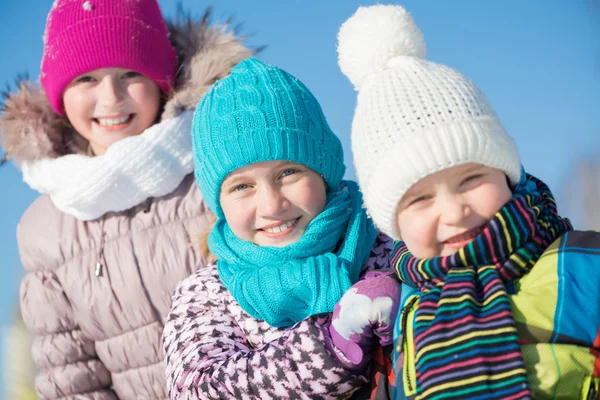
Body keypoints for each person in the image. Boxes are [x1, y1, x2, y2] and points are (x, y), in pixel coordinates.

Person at [337, 4, 600, 399]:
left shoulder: (582, 265)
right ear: (393, 222)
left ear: (508, 173)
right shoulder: (398, 307)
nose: (454, 210)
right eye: (420, 199)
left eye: (471, 179)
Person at [0, 0, 253, 398]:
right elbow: (72, 376)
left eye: (131, 73)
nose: (111, 97)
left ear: (162, 81)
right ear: (59, 95)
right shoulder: (45, 231)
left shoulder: (221, 171)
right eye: (86, 79)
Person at [162, 57, 401, 399]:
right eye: (242, 187)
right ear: (219, 203)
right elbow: (198, 389)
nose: (272, 205)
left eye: (288, 173)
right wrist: (332, 347)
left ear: (324, 171)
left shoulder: (393, 247)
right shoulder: (209, 295)